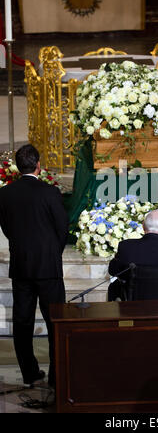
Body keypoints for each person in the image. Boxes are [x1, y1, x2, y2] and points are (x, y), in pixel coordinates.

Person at [0, 144, 69, 388]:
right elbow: (63, 228)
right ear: (38, 165)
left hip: (21, 266)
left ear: (18, 167)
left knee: (23, 322)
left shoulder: (5, 194)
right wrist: (52, 253)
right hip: (48, 268)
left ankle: (29, 373)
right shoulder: (50, 192)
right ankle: (56, 375)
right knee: (55, 322)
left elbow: (6, 228)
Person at [108, 209, 158, 301]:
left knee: (114, 287)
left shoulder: (126, 246)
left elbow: (113, 270)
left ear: (143, 226)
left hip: (133, 305)